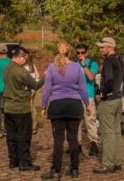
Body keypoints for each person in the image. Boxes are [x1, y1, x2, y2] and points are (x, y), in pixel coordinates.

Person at [40, 43, 90, 179]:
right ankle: (74, 169)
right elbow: (82, 89)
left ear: (58, 51)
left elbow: (47, 89)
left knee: (58, 140)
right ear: (70, 53)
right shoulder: (78, 67)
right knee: (73, 139)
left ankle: (56, 171)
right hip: (74, 105)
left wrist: (43, 106)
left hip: (57, 105)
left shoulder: (52, 67)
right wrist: (88, 104)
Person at [3, 47, 44, 171]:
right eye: (25, 59)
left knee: (11, 136)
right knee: (24, 136)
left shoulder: (7, 68)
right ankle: (24, 163)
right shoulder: (21, 71)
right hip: (21, 108)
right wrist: (46, 77)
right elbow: (35, 85)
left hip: (8, 107)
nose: (26, 61)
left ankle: (13, 160)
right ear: (20, 57)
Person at [93, 37, 124, 174]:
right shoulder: (119, 58)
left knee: (107, 133)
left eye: (102, 47)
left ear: (109, 47)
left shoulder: (108, 60)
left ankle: (107, 164)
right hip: (118, 99)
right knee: (116, 131)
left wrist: (103, 92)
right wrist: (122, 91)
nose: (100, 49)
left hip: (108, 101)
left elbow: (108, 79)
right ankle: (117, 162)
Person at [75, 43, 100, 156]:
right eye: (78, 53)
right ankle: (77, 144)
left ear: (87, 53)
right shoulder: (74, 64)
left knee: (90, 120)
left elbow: (90, 77)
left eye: (82, 52)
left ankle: (94, 143)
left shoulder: (92, 63)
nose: (80, 55)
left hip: (88, 96)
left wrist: (84, 65)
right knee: (76, 122)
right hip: (76, 96)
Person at [23, 55, 40, 134]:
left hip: (28, 89)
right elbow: (38, 76)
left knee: (27, 107)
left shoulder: (24, 67)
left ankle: (30, 126)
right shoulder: (32, 66)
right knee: (32, 106)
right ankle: (34, 125)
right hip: (34, 88)